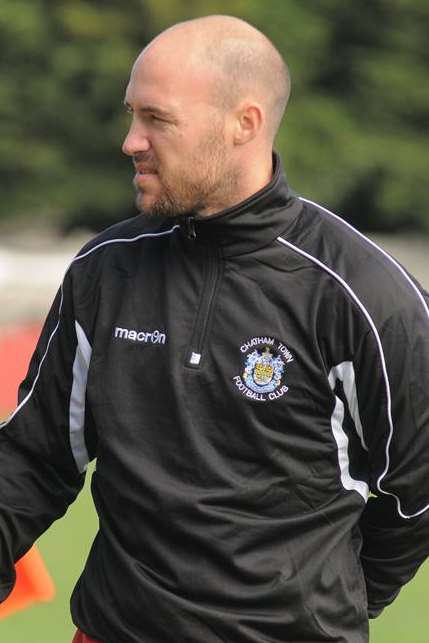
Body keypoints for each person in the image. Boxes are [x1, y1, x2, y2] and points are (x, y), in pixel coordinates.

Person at [1, 14, 429, 643]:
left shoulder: (364, 293)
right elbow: (33, 460)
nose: (131, 141)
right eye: (131, 114)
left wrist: (326, 601)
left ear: (244, 124)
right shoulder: (107, 269)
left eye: (157, 119)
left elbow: (416, 495)